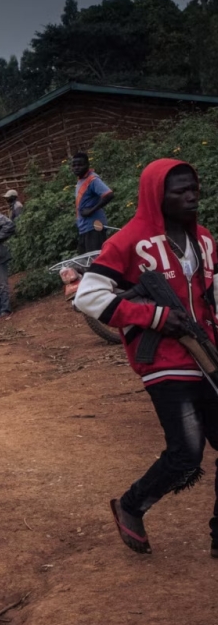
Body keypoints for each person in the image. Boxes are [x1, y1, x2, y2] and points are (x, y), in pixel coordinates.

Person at [74, 159, 218, 557]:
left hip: (207, 353)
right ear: (157, 195)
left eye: (194, 188)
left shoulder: (204, 239)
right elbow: (88, 296)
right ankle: (131, 505)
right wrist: (154, 316)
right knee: (187, 454)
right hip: (164, 362)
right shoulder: (129, 241)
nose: (190, 196)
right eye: (179, 191)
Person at [73, 152, 115, 252]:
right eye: (74, 165)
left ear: (87, 165)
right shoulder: (81, 180)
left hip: (94, 227)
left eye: (80, 164)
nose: (76, 167)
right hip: (84, 228)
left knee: (95, 260)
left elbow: (109, 194)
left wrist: (91, 210)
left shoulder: (93, 180)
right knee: (85, 262)